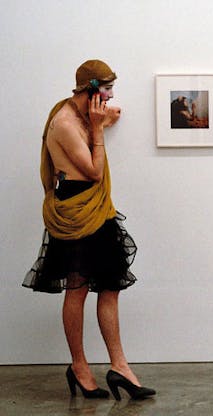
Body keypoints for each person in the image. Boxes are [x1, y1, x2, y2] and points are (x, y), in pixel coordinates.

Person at [23, 59, 156, 401]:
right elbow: (94, 171)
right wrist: (98, 128)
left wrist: (102, 121)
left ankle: (119, 366)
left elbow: (90, 141)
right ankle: (79, 366)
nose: (111, 96)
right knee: (77, 289)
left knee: (110, 286)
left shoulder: (83, 115)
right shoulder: (65, 123)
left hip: (98, 211)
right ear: (90, 90)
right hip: (76, 210)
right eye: (107, 89)